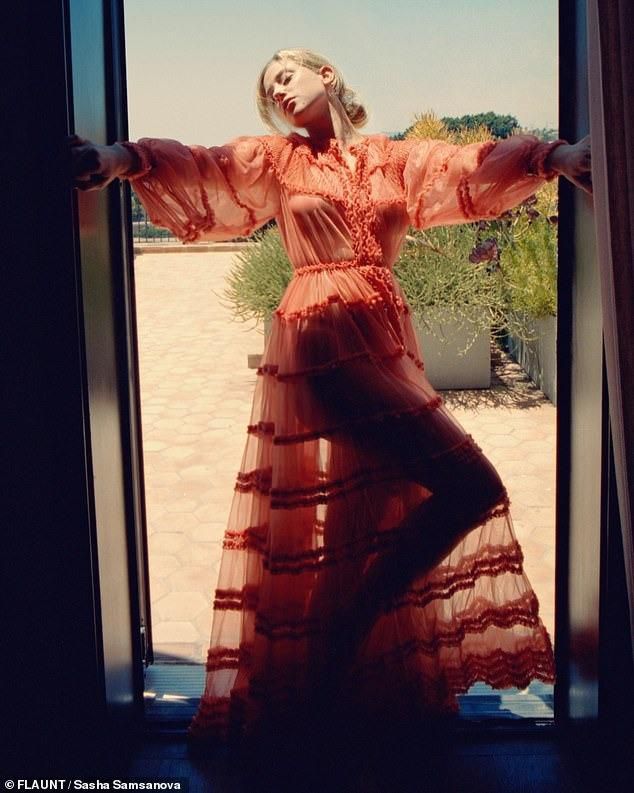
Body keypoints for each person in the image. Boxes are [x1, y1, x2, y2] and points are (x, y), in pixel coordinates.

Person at [70, 48, 592, 746]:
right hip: (320, 334)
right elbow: (205, 165)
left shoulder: (393, 159)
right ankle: (349, 631)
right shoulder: (278, 160)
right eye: (267, 87)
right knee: (472, 484)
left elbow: (467, 166)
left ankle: (327, 686)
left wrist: (554, 157)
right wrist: (119, 157)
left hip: (382, 334)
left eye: (286, 73)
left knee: (369, 512)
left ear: (328, 75)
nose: (277, 90)